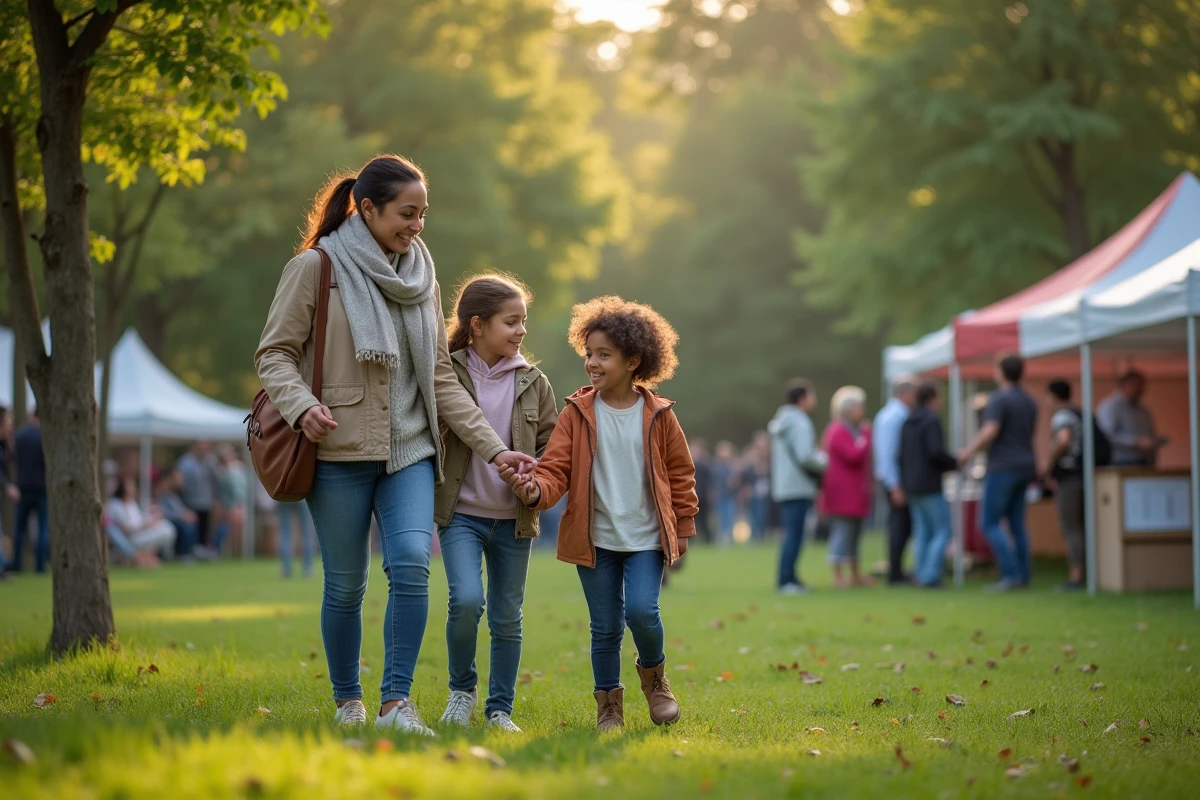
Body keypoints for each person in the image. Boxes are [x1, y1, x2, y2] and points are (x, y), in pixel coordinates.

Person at [255, 155, 535, 734]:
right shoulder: (316, 267)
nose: (417, 226)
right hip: (336, 451)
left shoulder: (422, 277)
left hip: (410, 448)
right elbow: (274, 354)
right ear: (368, 209)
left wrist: (493, 449)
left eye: (423, 214)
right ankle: (348, 702)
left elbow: (438, 378)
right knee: (346, 582)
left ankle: (395, 704)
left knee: (411, 564)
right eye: (407, 213)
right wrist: (302, 407)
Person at [503, 296, 697, 731]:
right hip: (595, 540)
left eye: (603, 355)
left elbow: (681, 474)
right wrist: (535, 490)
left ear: (633, 361)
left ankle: (656, 679)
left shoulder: (660, 415)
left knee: (643, 613)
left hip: (646, 538)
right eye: (589, 353)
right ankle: (608, 705)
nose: (592, 362)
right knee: (605, 626)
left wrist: (683, 526)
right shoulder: (576, 413)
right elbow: (554, 469)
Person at [434, 275, 558, 733]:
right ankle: (461, 691)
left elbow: (553, 450)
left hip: (514, 520)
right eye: (512, 322)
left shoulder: (534, 382)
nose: (521, 330)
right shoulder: (446, 371)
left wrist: (535, 479)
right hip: (460, 514)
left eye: (523, 321)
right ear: (478, 324)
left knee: (508, 617)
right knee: (465, 601)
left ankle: (500, 708)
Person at [959, 354, 1038, 592]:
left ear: (1000, 372)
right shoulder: (1029, 401)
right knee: (1016, 524)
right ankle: (1023, 574)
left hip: (1003, 466)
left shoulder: (998, 399)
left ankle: (1011, 574)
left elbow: (990, 430)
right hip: (1026, 466)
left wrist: (968, 452)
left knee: (989, 522)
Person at [899, 382, 958, 588]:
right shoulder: (931, 421)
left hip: (911, 484)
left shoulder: (908, 420)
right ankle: (930, 574)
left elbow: (901, 455)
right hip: (930, 484)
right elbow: (935, 452)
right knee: (943, 529)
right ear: (932, 398)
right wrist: (953, 462)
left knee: (922, 530)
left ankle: (921, 572)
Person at [768, 378, 823, 595]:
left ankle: (790, 578)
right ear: (802, 398)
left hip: (784, 485)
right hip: (798, 485)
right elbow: (806, 456)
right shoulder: (800, 422)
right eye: (812, 395)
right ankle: (786, 581)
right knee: (795, 535)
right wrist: (826, 460)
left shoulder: (781, 420)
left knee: (791, 533)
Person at [820, 386, 874, 588]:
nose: (862, 410)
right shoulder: (838, 430)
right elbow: (854, 455)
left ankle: (855, 575)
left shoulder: (852, 430)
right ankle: (838, 576)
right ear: (848, 408)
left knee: (855, 535)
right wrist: (867, 436)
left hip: (854, 491)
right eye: (859, 406)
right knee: (842, 533)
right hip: (843, 493)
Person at [1043, 380, 1086, 591]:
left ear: (1052, 396)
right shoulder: (1079, 414)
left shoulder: (1062, 416)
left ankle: (1076, 577)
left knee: (1071, 527)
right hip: (1085, 475)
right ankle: (1087, 573)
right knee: (1082, 526)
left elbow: (1063, 440)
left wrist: (1048, 463)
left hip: (1069, 478)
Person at [873, 376, 916, 585]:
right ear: (904, 393)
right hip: (894, 481)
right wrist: (894, 485)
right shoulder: (892, 417)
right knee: (899, 526)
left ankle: (897, 570)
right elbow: (887, 454)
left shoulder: (895, 415)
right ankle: (895, 573)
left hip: (894, 480)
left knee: (902, 526)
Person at [106, 477, 177, 567]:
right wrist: (147, 525)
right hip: (129, 538)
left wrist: (151, 519)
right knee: (166, 531)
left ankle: (147, 555)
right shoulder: (115, 504)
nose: (133, 489)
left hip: (140, 532)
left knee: (166, 526)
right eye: (130, 486)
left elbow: (139, 520)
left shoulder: (131, 503)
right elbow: (128, 529)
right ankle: (140, 556)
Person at [1097, 370, 1163, 467]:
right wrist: (1135, 442)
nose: (1142, 389)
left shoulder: (1143, 410)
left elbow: (1150, 433)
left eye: (1143, 386)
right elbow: (1106, 436)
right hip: (1120, 464)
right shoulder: (1111, 406)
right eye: (1138, 385)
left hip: (1144, 463)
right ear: (1125, 384)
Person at [11, 409, 48, 574]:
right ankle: (39, 566)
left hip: (22, 487)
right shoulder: (44, 437)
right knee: (43, 529)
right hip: (41, 488)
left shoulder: (19, 436)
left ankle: (17, 564)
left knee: (19, 529)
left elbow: (12, 460)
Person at [154, 470, 213, 561]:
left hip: (177, 520)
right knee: (187, 526)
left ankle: (193, 548)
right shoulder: (160, 494)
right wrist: (182, 516)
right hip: (168, 521)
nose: (182, 481)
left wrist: (187, 514)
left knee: (192, 522)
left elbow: (180, 509)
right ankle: (184, 553)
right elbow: (163, 512)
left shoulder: (174, 495)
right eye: (178, 478)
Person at [176, 441, 218, 549]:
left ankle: (203, 548)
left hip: (206, 501)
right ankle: (191, 549)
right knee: (192, 525)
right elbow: (180, 481)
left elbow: (216, 478)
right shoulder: (185, 462)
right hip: (190, 501)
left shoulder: (210, 461)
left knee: (205, 527)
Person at [215, 444, 249, 554]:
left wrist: (238, 503)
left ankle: (237, 553)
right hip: (230, 504)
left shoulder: (237, 468)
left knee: (237, 530)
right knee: (231, 530)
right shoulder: (226, 469)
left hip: (237, 504)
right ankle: (232, 552)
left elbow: (240, 488)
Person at [742, 434, 772, 542]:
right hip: (753, 490)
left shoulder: (769, 457)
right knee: (753, 513)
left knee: (762, 513)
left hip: (765, 491)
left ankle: (761, 533)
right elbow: (745, 473)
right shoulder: (751, 457)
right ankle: (755, 534)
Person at [276, 501, 317, 578]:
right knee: (307, 531)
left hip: (284, 494)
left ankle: (286, 568)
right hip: (303, 496)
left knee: (285, 531)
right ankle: (308, 568)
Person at [710, 441, 741, 545]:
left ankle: (728, 536)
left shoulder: (733, 465)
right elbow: (713, 482)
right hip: (720, 495)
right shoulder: (715, 466)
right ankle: (720, 536)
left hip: (730, 495)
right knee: (720, 517)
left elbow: (737, 480)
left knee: (729, 515)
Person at [689, 438, 714, 544]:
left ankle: (708, 539)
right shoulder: (687, 463)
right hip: (690, 496)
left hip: (702, 495)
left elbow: (710, 479)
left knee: (704, 518)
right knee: (690, 519)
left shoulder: (705, 464)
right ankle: (690, 539)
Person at [0, 407, 13, 576]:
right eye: (7, 422)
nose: (10, 426)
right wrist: (7, 485)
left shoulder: (4, 445)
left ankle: (4, 565)